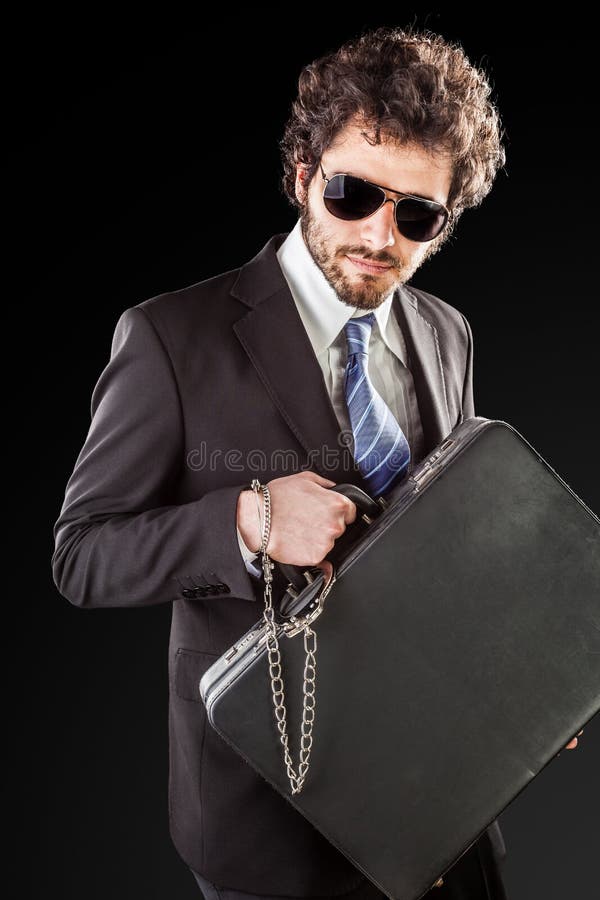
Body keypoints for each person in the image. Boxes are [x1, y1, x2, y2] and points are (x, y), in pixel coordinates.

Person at [51, 24, 583, 900]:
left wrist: (528, 673)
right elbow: (81, 555)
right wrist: (248, 521)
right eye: (351, 195)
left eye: (417, 214)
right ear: (303, 176)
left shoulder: (447, 333)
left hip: (446, 802)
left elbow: (449, 539)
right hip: (271, 821)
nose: (380, 235)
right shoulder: (169, 338)